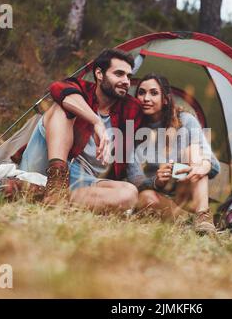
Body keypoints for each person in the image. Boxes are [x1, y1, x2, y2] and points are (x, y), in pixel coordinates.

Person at [16, 48, 143, 212]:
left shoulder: (131, 108)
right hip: (45, 159)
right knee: (62, 107)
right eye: (119, 74)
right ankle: (55, 183)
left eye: (128, 76)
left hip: (82, 178)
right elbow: (58, 88)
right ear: (99, 74)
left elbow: (159, 114)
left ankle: (44, 194)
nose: (126, 81)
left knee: (129, 193)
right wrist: (96, 121)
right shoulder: (82, 89)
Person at [127, 73, 220, 234]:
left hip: (186, 192)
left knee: (194, 151)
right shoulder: (132, 128)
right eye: (141, 92)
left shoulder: (185, 120)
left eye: (153, 93)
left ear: (165, 99)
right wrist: (157, 181)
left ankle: (202, 216)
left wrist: (201, 167)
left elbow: (214, 165)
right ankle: (187, 221)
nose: (145, 98)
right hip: (158, 197)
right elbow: (135, 179)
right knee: (146, 199)